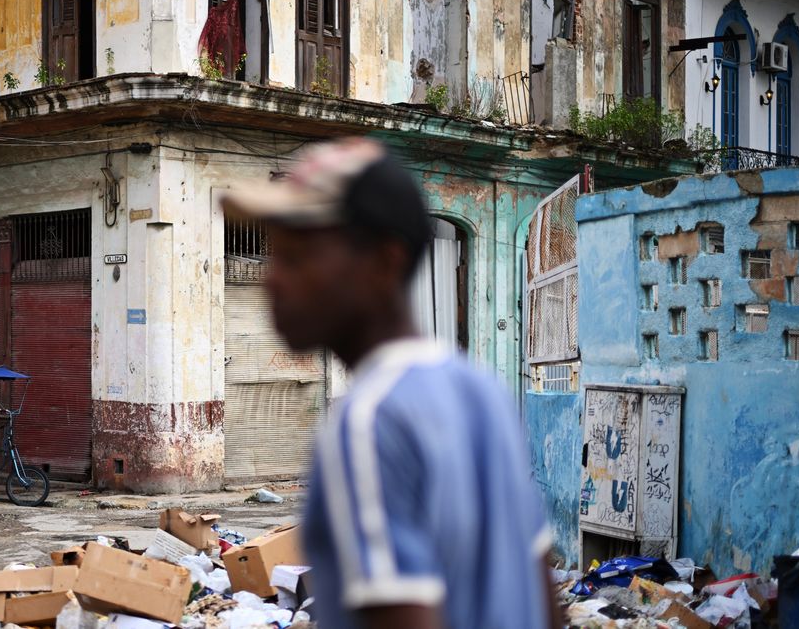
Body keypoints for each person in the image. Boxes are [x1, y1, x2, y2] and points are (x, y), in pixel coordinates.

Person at [222, 137, 560, 629]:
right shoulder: (479, 390)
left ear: (385, 262)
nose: (272, 280)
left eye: (297, 258)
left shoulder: (366, 422)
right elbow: (542, 594)